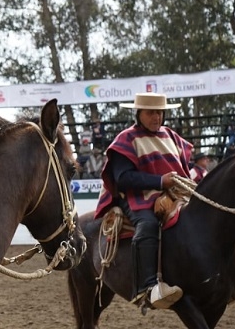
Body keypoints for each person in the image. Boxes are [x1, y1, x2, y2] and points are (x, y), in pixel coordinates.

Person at [94, 93, 189, 309]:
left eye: (160, 112)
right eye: (151, 112)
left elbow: (184, 168)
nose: (156, 117)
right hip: (137, 197)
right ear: (139, 114)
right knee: (147, 224)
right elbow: (123, 178)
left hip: (176, 194)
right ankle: (146, 288)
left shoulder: (171, 136)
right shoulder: (126, 139)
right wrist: (160, 181)